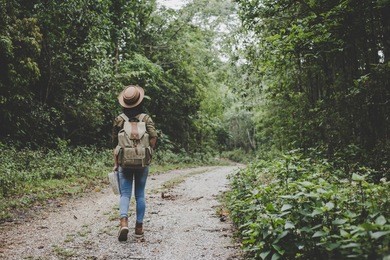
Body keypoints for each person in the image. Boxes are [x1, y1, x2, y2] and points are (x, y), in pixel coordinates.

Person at [112, 85, 158, 242]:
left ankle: (124, 222)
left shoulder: (119, 119)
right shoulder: (146, 119)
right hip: (142, 162)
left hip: (124, 162)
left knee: (125, 194)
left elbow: (115, 142)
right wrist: (147, 152)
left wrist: (117, 161)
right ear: (140, 102)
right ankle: (139, 228)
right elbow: (153, 137)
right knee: (140, 195)